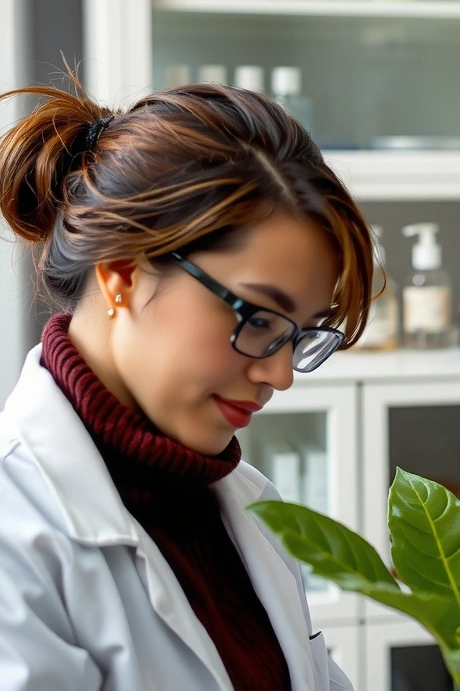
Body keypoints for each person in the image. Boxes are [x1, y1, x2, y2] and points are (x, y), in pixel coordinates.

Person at [0, 73, 373, 690]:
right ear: (123, 272)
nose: (279, 374)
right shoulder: (16, 530)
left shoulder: (248, 506)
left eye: (300, 334)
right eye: (257, 318)